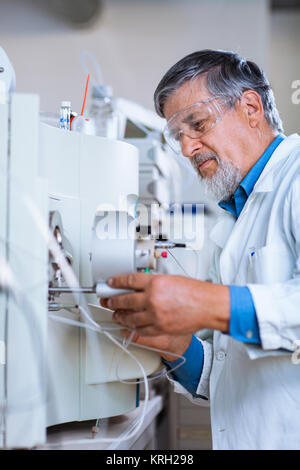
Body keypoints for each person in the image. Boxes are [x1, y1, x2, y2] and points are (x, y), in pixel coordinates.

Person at [100, 50, 300, 450]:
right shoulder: (235, 218)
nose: (189, 148)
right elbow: (240, 379)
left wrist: (206, 303)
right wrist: (176, 348)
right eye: (178, 136)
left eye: (198, 124)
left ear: (250, 107)